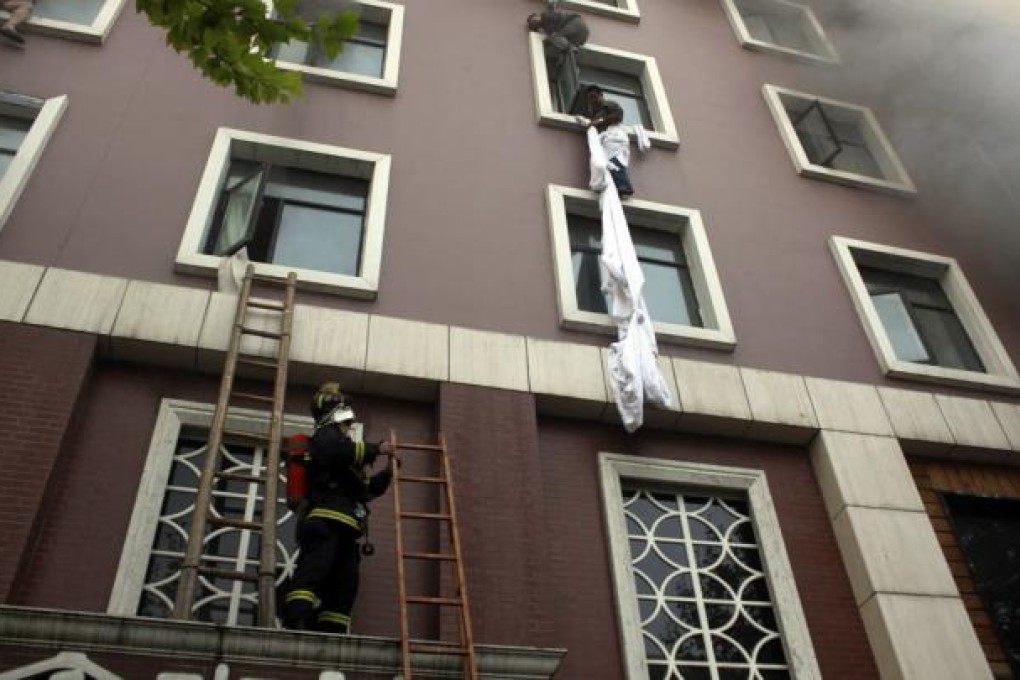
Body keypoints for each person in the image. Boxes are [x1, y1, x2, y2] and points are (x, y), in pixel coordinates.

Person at [282, 382, 396, 634]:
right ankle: (296, 623)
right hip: (324, 522)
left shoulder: (347, 459)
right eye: (345, 420)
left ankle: (332, 632)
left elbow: (365, 490)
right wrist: (376, 448)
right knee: (313, 572)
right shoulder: (324, 437)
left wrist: (387, 474)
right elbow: (336, 452)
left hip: (347, 530)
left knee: (345, 585)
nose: (348, 426)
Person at [585, 85, 635, 196]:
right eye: (590, 99)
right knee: (608, 162)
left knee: (615, 160)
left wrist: (600, 121)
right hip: (605, 139)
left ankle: (624, 186)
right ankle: (616, 184)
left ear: (601, 95)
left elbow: (618, 115)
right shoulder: (594, 113)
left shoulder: (609, 105)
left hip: (614, 137)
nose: (592, 101)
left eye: (594, 97)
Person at [526, 3, 589, 78]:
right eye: (534, 24)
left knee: (556, 37)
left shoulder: (545, 16)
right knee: (565, 53)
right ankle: (573, 69)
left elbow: (552, 29)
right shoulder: (546, 20)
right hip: (579, 34)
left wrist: (546, 42)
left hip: (575, 25)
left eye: (534, 21)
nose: (536, 23)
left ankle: (571, 51)